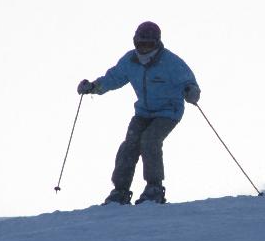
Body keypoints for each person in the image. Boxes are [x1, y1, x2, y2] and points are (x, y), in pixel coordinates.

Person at [77, 21, 201, 205]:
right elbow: (113, 78)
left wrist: (191, 92)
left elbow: (188, 81)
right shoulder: (130, 61)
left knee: (150, 140)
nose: (144, 48)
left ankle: (154, 188)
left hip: (168, 111)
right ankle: (120, 191)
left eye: (149, 44)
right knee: (130, 144)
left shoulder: (170, 62)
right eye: (140, 43)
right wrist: (93, 87)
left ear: (157, 43)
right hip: (143, 112)